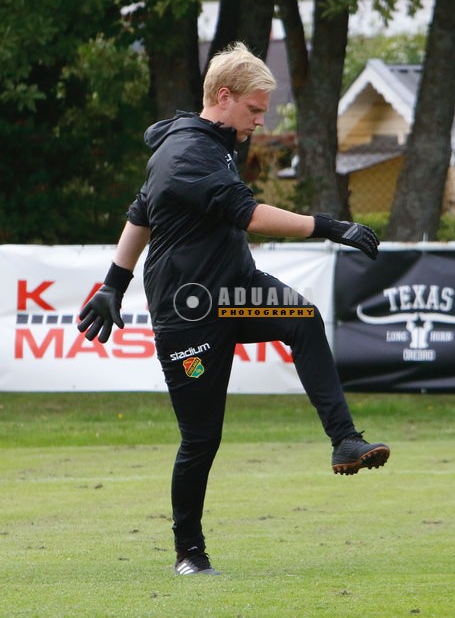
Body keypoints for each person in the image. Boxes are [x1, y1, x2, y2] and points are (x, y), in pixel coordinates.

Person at [78, 42, 390, 576]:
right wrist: (331, 227)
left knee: (304, 320)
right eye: (254, 109)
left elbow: (141, 210)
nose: (260, 121)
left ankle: (344, 440)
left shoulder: (211, 142)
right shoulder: (187, 153)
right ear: (223, 97)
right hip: (189, 313)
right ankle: (189, 552)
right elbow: (247, 214)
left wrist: (113, 283)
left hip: (237, 291)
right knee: (202, 438)